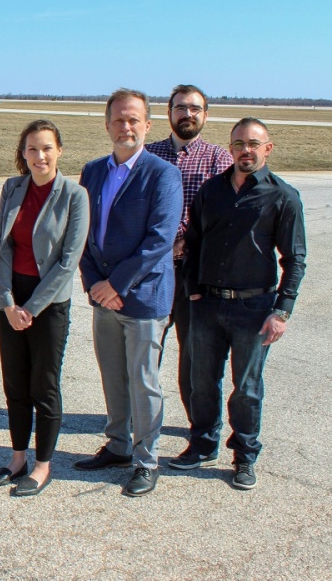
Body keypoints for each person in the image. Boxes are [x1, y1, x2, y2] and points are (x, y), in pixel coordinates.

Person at [178, 118, 306, 489]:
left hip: (255, 309)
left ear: (267, 149)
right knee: (201, 381)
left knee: (246, 387)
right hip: (207, 304)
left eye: (253, 144)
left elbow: (295, 259)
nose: (245, 150)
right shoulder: (211, 191)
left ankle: (244, 456)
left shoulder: (282, 196)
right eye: (238, 144)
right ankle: (202, 444)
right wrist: (193, 288)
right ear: (230, 148)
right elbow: (193, 243)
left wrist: (282, 311)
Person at [75, 89, 183, 497]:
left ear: (148, 126)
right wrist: (94, 284)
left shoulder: (162, 173)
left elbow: (159, 240)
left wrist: (116, 285)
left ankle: (147, 459)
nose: (126, 127)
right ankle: (118, 445)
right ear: (107, 124)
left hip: (143, 299)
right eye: (119, 119)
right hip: (103, 298)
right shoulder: (93, 171)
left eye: (134, 119)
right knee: (113, 377)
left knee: (143, 381)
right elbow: (80, 232)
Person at [0, 120, 89, 496]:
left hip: (48, 303)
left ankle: (43, 465)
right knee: (15, 383)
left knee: (43, 385)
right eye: (32, 149)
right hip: (12, 297)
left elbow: (67, 262)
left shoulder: (74, 196)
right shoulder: (13, 188)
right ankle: (17, 459)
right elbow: (2, 246)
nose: (40, 156)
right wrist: (7, 301)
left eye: (47, 148)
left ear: (59, 151)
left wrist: (29, 308)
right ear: (23, 153)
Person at [145, 84, 232, 427]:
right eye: (181, 107)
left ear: (205, 115)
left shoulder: (217, 158)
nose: (188, 114)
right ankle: (142, 416)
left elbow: (221, 215)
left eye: (195, 108)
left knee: (194, 354)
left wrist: (184, 240)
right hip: (153, 269)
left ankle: (200, 425)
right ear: (169, 113)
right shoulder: (149, 154)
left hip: (196, 271)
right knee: (146, 349)